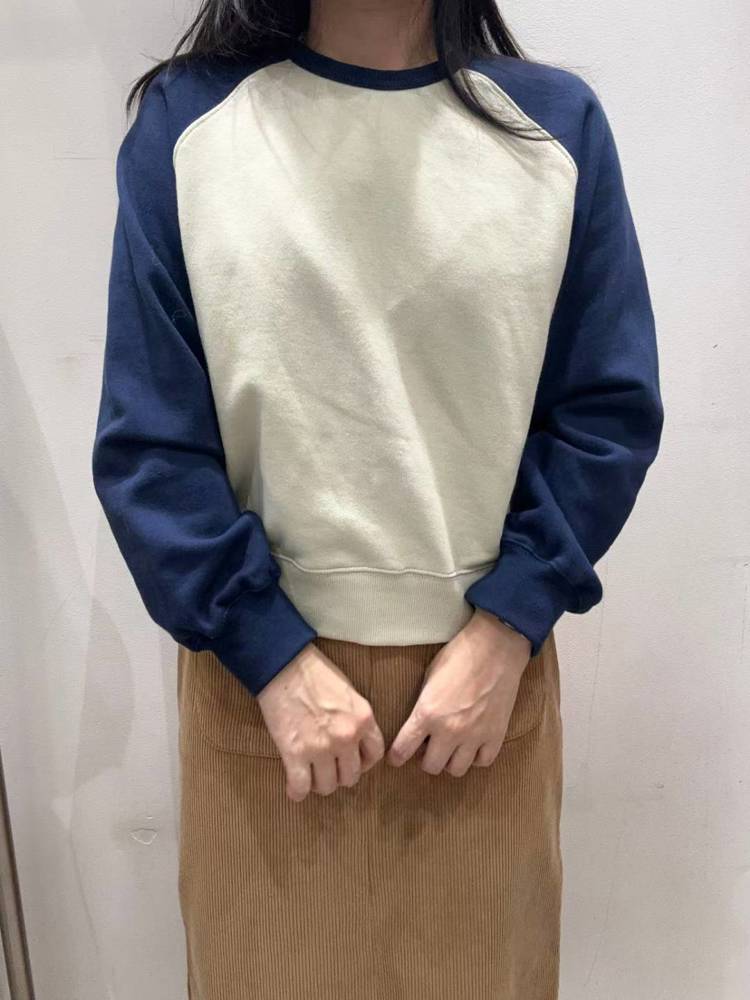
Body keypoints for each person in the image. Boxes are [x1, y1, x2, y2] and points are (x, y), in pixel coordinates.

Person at [90, 1, 664, 997]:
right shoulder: (189, 126)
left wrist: (507, 628)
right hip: (263, 698)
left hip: (482, 693)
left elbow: (605, 411)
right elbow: (151, 438)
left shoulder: (555, 130)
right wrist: (272, 657)